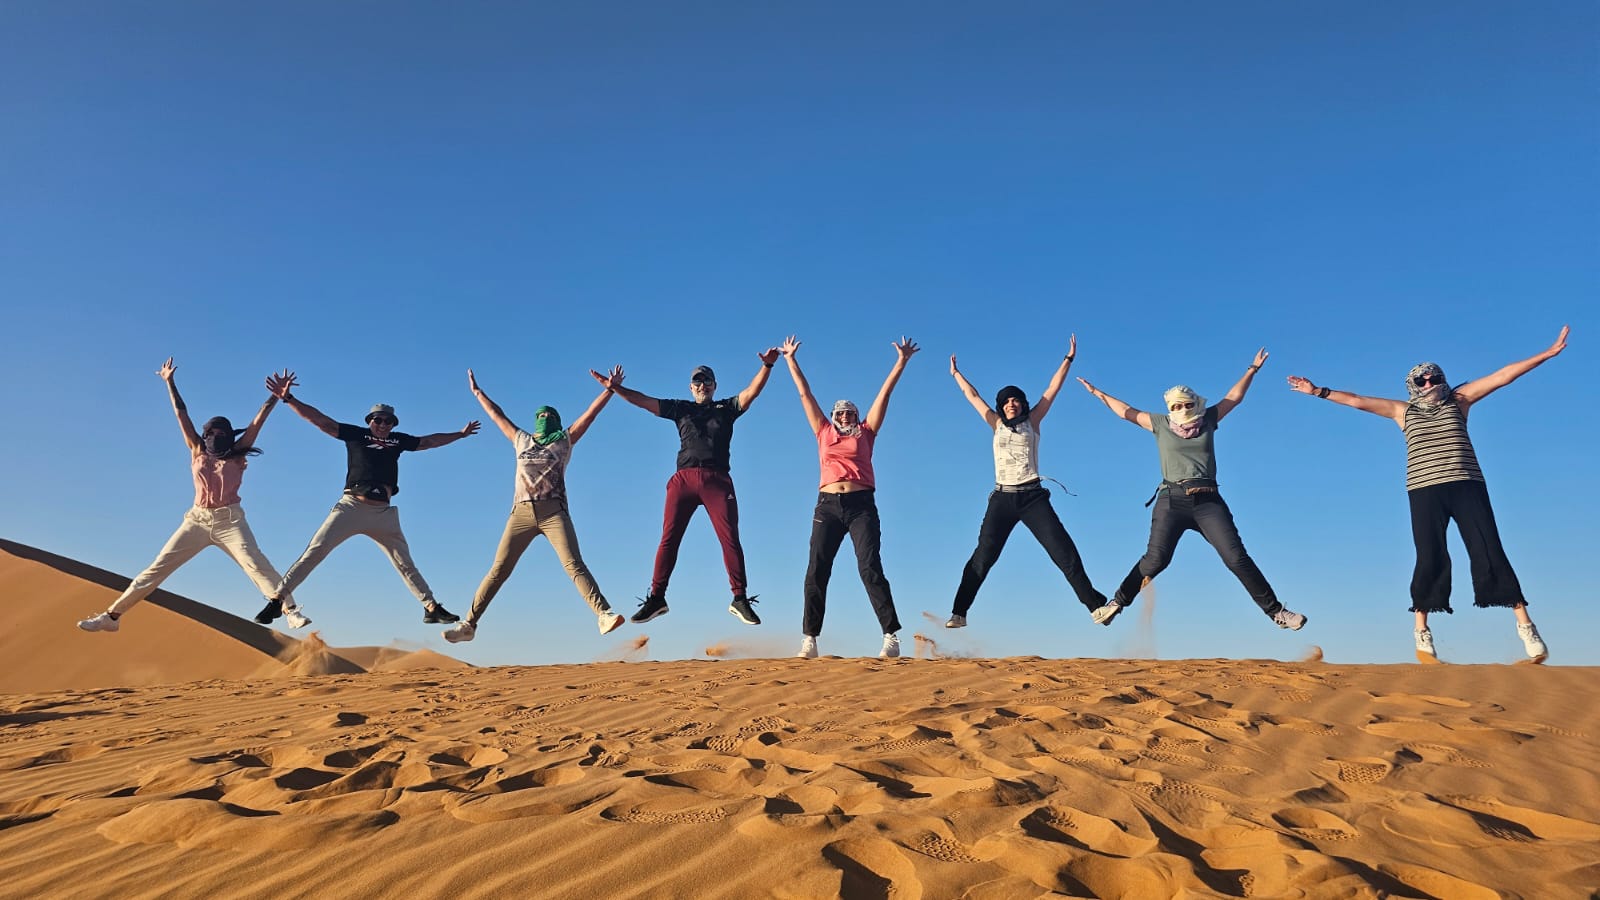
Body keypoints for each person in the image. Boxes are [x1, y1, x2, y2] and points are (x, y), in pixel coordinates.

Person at [1286, 326, 1568, 662]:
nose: (1430, 384)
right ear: (1412, 387)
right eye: (1422, 381)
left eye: (1435, 378)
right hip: (1424, 491)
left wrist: (1546, 354)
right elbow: (1358, 401)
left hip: (1467, 486)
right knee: (1430, 555)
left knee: (1488, 548)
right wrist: (1318, 391)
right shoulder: (1402, 411)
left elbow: (1503, 375)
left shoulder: (1459, 400)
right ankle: (1422, 632)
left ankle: (1526, 627)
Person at [1077, 349, 1307, 633]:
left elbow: (1233, 398)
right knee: (1156, 559)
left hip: (1208, 501)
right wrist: (1098, 393)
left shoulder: (1208, 418)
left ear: (1194, 403)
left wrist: (1252, 369)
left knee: (1236, 557)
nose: (1180, 410)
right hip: (1171, 500)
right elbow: (1126, 412)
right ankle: (1116, 603)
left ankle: (1277, 612)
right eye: (1174, 406)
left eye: (1184, 404)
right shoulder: (1161, 424)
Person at [78, 359, 308, 632]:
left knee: (257, 566)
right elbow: (181, 413)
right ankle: (111, 617)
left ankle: (291, 611)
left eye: (221, 432)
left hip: (231, 522)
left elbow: (258, 421)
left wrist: (275, 395)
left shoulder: (238, 451)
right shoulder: (197, 449)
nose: (215, 436)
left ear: (229, 435)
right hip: (196, 520)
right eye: (211, 432)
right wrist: (170, 382)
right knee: (156, 570)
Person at [261, 377, 480, 626]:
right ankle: (277, 601)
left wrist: (460, 435)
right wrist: (288, 399)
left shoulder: (398, 441)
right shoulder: (356, 435)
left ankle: (431, 607)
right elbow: (322, 421)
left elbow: (429, 441)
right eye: (378, 420)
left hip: (383, 513)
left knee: (404, 563)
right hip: (351, 506)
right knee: (315, 551)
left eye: (388, 421)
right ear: (370, 421)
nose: (383, 424)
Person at [595, 346, 781, 626]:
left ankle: (739, 599)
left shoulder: (727, 408)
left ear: (715, 386)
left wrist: (767, 366)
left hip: (717, 480)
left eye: (707, 381)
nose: (702, 385)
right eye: (697, 381)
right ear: (691, 387)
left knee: (729, 538)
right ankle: (657, 598)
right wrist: (616, 389)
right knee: (668, 539)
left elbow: (752, 392)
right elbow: (644, 401)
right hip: (683, 480)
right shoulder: (679, 408)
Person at [442, 368, 627, 644]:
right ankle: (468, 624)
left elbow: (590, 415)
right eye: (540, 416)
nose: (544, 419)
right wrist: (478, 393)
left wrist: (609, 390)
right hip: (522, 513)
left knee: (573, 564)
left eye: (549, 416)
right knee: (499, 569)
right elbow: (497, 415)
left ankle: (603, 614)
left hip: (554, 512)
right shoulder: (521, 439)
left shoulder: (565, 440)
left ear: (557, 421)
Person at [946, 338, 1107, 627]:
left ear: (1023, 404)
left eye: (1016, 400)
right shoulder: (994, 423)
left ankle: (1096, 607)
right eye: (1006, 401)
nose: (1011, 404)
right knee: (984, 556)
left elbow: (1051, 390)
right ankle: (959, 612)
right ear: (1000, 406)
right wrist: (957, 374)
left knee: (1063, 552)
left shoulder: (1033, 421)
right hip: (1002, 499)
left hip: (1033, 497)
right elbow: (973, 396)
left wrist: (1068, 359)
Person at [779, 335, 916, 659]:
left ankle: (890, 636)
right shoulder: (823, 431)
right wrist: (790, 360)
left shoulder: (867, 433)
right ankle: (809, 639)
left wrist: (901, 361)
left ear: (857, 417)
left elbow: (885, 394)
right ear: (832, 416)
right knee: (817, 569)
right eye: (839, 413)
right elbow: (804, 393)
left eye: (849, 413)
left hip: (860, 506)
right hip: (827, 506)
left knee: (869, 566)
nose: (844, 417)